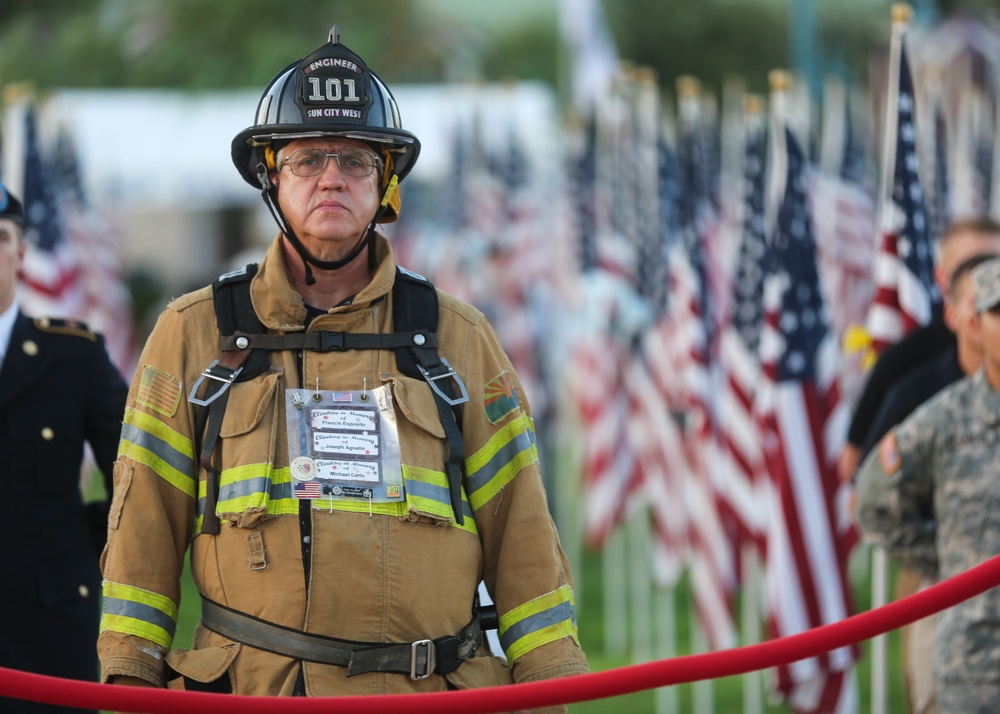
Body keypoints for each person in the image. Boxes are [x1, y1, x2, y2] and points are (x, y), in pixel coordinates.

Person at [98, 25, 588, 709]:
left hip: (427, 696)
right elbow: (142, 531)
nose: (332, 178)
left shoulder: (458, 338)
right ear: (270, 174)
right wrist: (129, 678)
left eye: (356, 162)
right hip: (256, 695)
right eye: (307, 160)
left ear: (386, 184)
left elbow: (524, 536)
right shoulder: (193, 335)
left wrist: (550, 685)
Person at [0, 181, 128, 714]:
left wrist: (81, 546)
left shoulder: (72, 355)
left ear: (22, 253)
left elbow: (135, 472)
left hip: (45, 625)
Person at [855, 254, 1000, 714]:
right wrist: (947, 560)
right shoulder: (943, 419)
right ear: (974, 325)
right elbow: (873, 501)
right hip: (976, 664)